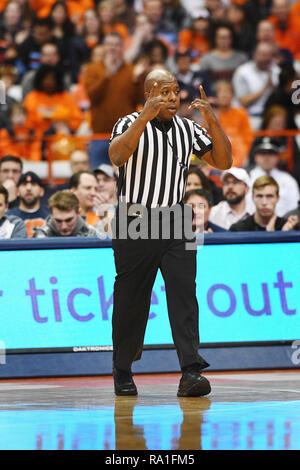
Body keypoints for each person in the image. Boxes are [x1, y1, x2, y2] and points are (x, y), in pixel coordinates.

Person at [108, 68, 232, 397]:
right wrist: (144, 117)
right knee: (132, 299)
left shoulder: (187, 129)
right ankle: (122, 368)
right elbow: (117, 155)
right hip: (134, 218)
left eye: (176, 91)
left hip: (176, 218)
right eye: (164, 92)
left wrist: (213, 121)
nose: (173, 97)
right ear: (148, 94)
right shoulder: (126, 123)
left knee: (184, 295)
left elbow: (223, 162)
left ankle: (191, 371)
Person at [83, 31, 145, 168]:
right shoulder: (93, 69)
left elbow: (138, 100)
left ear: (122, 48)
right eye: (110, 44)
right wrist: (106, 76)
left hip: (125, 136)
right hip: (100, 135)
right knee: (98, 178)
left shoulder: (131, 70)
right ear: (104, 47)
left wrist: (137, 80)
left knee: (128, 178)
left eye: (117, 45)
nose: (113, 48)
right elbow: (92, 96)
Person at [248, 138, 300, 217]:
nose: (266, 158)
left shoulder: (288, 180)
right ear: (255, 157)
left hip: (283, 226)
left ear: (277, 157)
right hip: (252, 226)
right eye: (262, 153)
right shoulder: (247, 178)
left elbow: (294, 208)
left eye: (271, 153)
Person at [230, 175, 300, 231]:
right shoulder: (239, 230)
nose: (264, 202)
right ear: (252, 198)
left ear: (277, 198)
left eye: (269, 196)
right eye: (259, 196)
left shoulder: (290, 228)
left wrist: (286, 235)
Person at [232, 41, 280, 118]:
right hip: (249, 116)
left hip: (270, 116)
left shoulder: (277, 71)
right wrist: (265, 88)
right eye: (264, 55)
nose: (267, 59)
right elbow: (243, 101)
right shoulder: (243, 72)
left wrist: (273, 87)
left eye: (270, 55)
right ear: (255, 55)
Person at [213, 79, 254, 168]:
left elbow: (248, 137)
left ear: (232, 95)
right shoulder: (211, 115)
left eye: (227, 92)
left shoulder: (241, 113)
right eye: (221, 92)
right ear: (216, 96)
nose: (224, 95)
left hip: (239, 154)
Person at [33, 190, 98, 238]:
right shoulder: (41, 235)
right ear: (51, 215)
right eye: (58, 221)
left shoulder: (92, 234)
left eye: (69, 220)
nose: (64, 226)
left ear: (78, 213)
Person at [6, 171, 50, 237]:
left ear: (41, 191)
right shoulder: (8, 217)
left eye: (33, 184)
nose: (28, 188)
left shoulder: (51, 214)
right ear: (17, 191)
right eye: (24, 184)